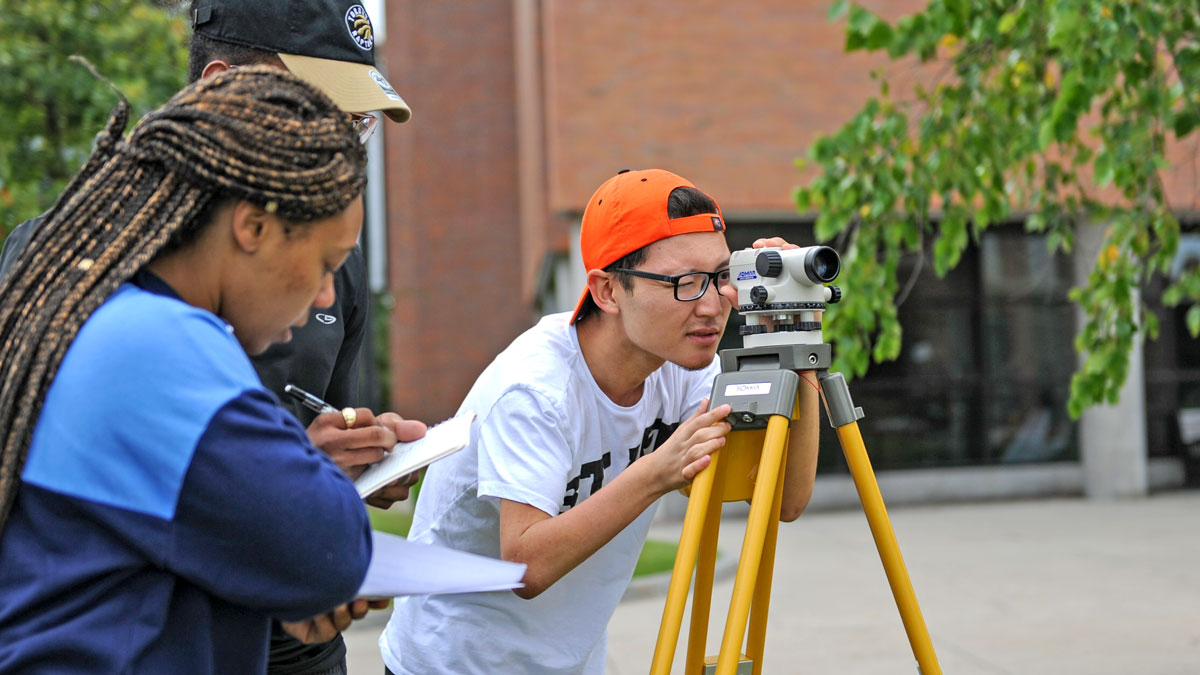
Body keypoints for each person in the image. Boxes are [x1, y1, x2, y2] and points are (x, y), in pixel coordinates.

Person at [0, 3, 420, 672]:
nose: (339, 150)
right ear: (220, 87)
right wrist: (290, 488)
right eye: (318, 114)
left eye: (357, 126)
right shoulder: (118, 305)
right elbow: (318, 539)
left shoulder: (321, 261)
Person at [379, 168, 822, 674]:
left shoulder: (682, 364)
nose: (711, 305)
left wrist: (794, 339)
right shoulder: (535, 390)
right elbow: (524, 565)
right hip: (455, 662)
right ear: (607, 291)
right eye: (684, 283)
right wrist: (655, 473)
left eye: (722, 276)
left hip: (574, 661)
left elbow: (784, 498)